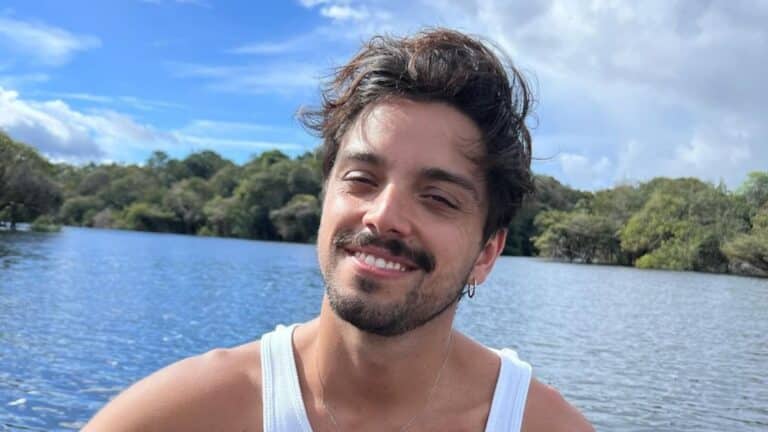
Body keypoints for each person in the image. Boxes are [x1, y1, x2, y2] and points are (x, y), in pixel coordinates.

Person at [84, 28, 594, 432]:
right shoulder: (186, 413)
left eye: (438, 198)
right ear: (326, 199)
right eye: (362, 180)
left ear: (486, 253)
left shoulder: (538, 424)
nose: (383, 215)